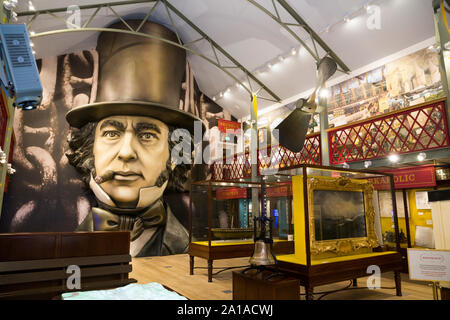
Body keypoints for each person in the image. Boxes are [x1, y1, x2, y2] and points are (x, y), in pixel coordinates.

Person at [65, 20, 204, 257]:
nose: (126, 152)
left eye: (147, 135)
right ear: (91, 150)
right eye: (111, 133)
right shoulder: (68, 251)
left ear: (173, 157)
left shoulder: (184, 247)